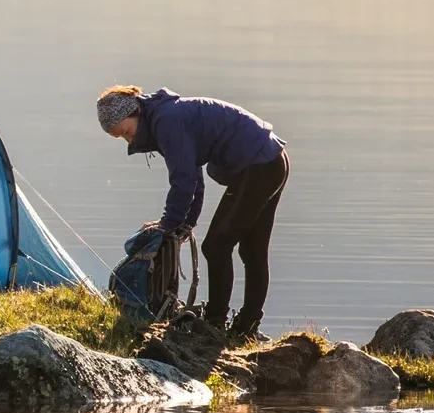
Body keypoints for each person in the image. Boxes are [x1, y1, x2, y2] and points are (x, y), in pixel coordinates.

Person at [96, 85, 289, 338]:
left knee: (216, 247)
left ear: (134, 113)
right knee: (251, 250)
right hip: (272, 160)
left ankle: (215, 322)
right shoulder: (164, 117)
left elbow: (183, 180)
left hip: (259, 166)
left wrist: (167, 225)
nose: (129, 140)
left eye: (127, 132)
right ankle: (246, 327)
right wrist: (186, 223)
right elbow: (193, 177)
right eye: (121, 137)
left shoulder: (167, 122)